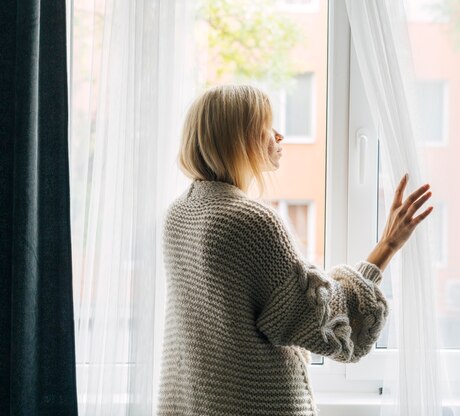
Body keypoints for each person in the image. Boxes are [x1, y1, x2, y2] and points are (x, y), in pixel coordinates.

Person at [156, 84, 433, 416]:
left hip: (197, 403)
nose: (279, 136)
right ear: (239, 139)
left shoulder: (179, 214)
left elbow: (284, 301)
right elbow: (327, 321)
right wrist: (387, 246)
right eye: (267, 127)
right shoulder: (250, 221)